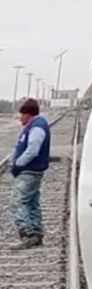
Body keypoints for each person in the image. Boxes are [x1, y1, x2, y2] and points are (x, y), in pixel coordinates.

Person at [5, 98, 50, 250]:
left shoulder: (37, 127)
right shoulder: (33, 126)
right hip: (31, 170)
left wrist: (18, 164)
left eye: (21, 114)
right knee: (31, 202)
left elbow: (32, 150)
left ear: (28, 114)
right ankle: (36, 235)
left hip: (29, 171)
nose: (20, 118)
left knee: (18, 201)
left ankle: (27, 235)